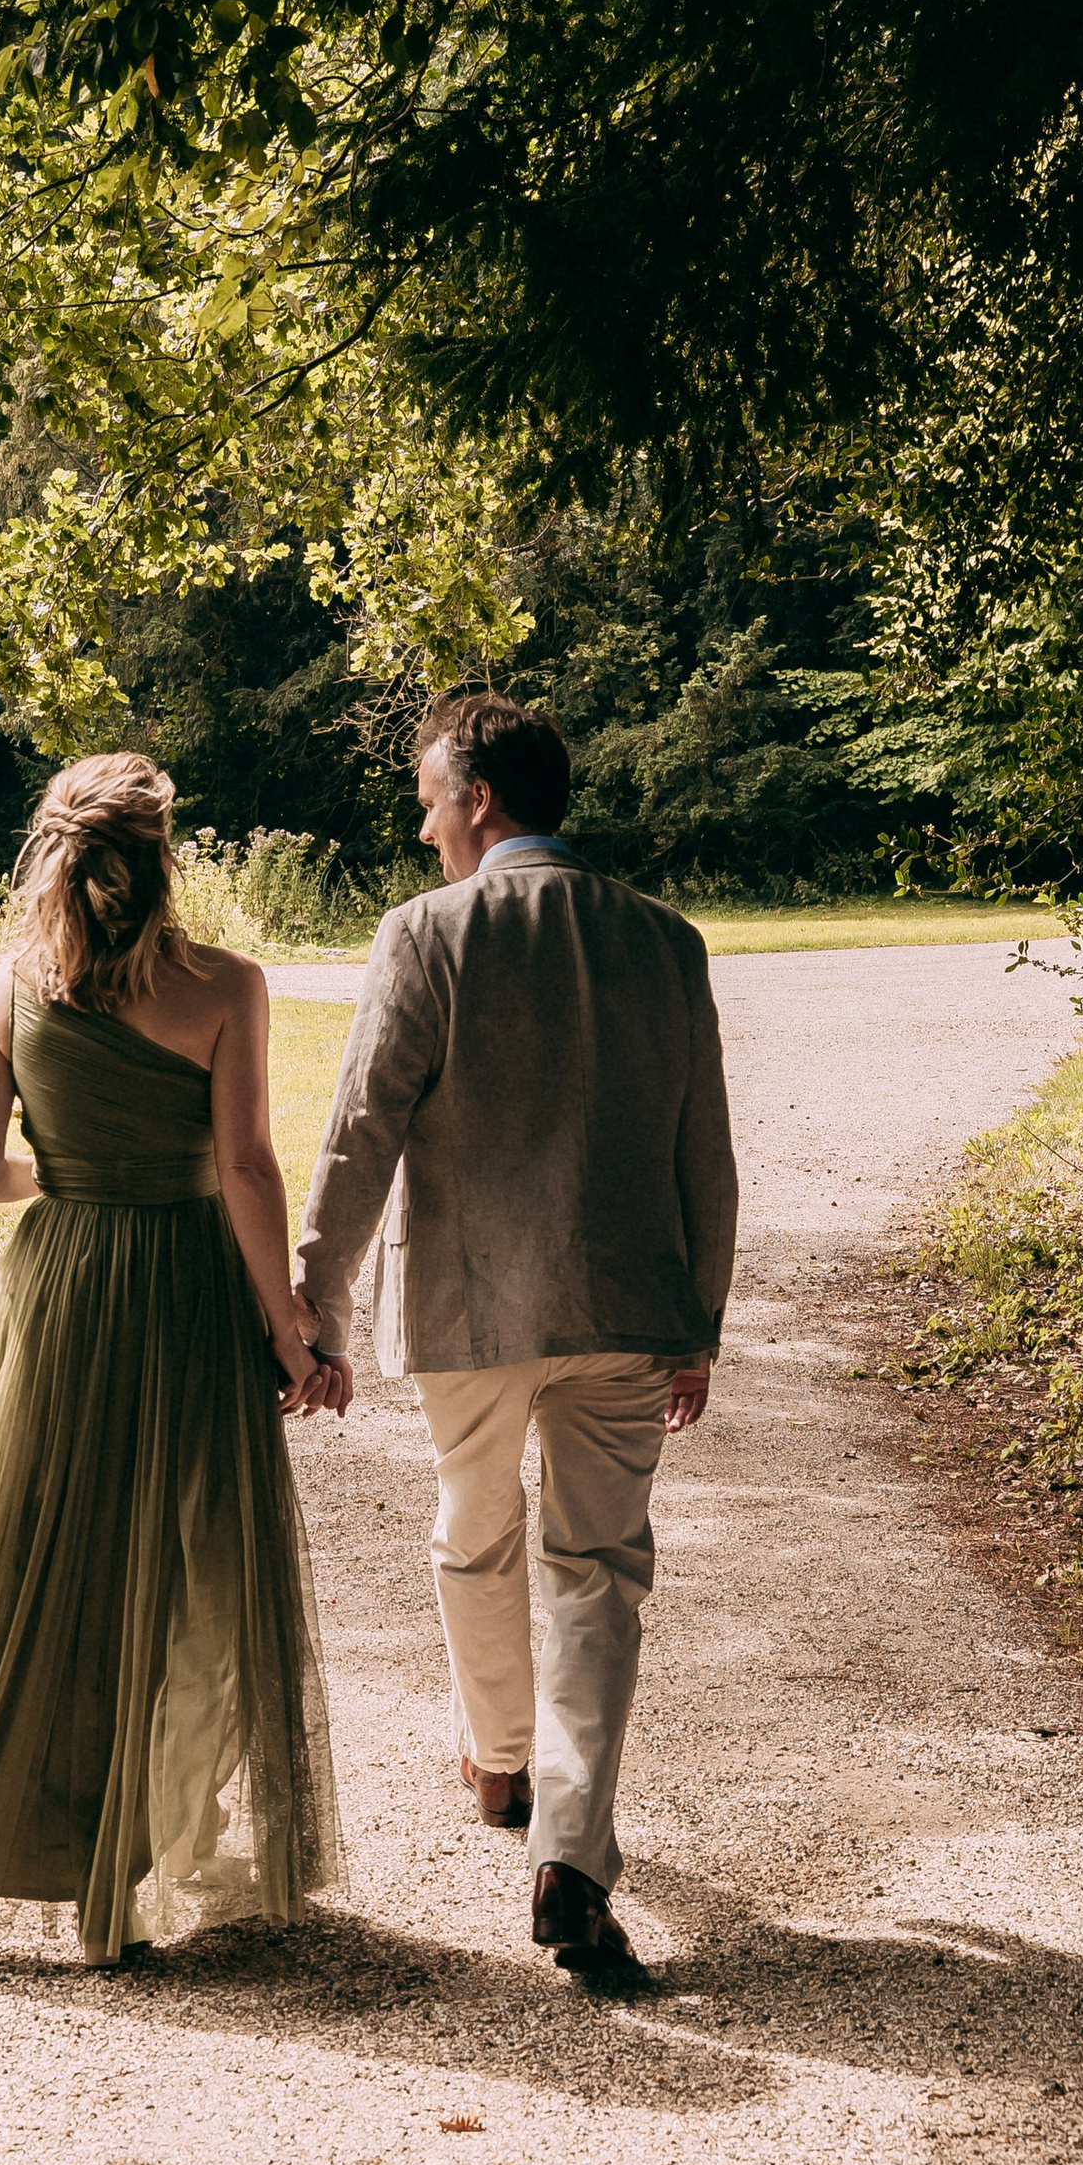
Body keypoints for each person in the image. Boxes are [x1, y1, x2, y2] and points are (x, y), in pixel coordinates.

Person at [0, 753, 341, 1967]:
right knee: (182, 1563)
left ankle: (40, 1844)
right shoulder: (226, 987)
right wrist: (290, 1328)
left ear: (51, 854)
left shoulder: (3, 992)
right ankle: (138, 1856)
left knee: (39, 1555)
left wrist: (86, 1179)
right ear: (164, 856)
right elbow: (248, 1169)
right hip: (187, 1289)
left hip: (59, 1291)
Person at [294, 692, 737, 1968]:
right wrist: (695, 1320)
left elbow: (362, 1126)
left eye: (432, 797)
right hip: (623, 1306)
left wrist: (317, 1303)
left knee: (472, 1530)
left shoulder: (427, 934)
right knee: (599, 1570)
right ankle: (569, 1851)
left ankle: (498, 1762)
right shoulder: (667, 941)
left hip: (468, 1306)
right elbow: (704, 1153)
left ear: (479, 799)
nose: (426, 820)